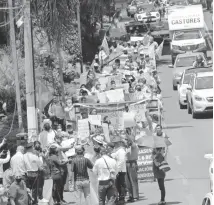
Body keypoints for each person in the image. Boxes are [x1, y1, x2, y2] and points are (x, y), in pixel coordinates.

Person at [111, 136, 127, 205]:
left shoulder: (121, 151)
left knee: (121, 185)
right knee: (117, 185)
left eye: (116, 143)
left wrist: (116, 171)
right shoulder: (117, 150)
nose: (115, 144)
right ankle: (119, 198)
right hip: (118, 170)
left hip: (120, 171)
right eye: (115, 143)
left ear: (120, 143)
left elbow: (121, 162)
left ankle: (122, 198)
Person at [125, 137, 139, 202]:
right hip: (127, 163)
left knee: (133, 180)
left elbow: (132, 143)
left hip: (132, 163)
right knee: (128, 181)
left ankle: (135, 196)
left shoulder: (134, 146)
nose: (126, 141)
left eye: (127, 140)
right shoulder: (126, 147)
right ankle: (131, 196)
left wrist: (129, 138)